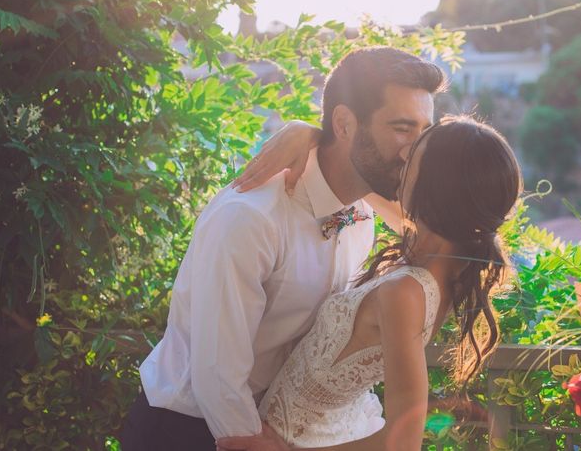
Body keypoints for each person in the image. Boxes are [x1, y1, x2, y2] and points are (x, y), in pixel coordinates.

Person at [119, 47, 446, 451]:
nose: (417, 149)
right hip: (191, 429)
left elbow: (441, 230)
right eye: (402, 129)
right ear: (344, 124)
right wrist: (252, 442)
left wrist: (310, 132)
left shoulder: (362, 216)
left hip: (279, 428)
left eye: (423, 131)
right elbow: (216, 373)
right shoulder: (251, 218)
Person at [218, 115, 523, 450]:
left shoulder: (405, 292)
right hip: (324, 430)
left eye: (414, 157)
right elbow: (358, 178)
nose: (402, 157)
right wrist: (310, 135)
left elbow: (402, 442)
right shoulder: (442, 265)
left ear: (434, 188)